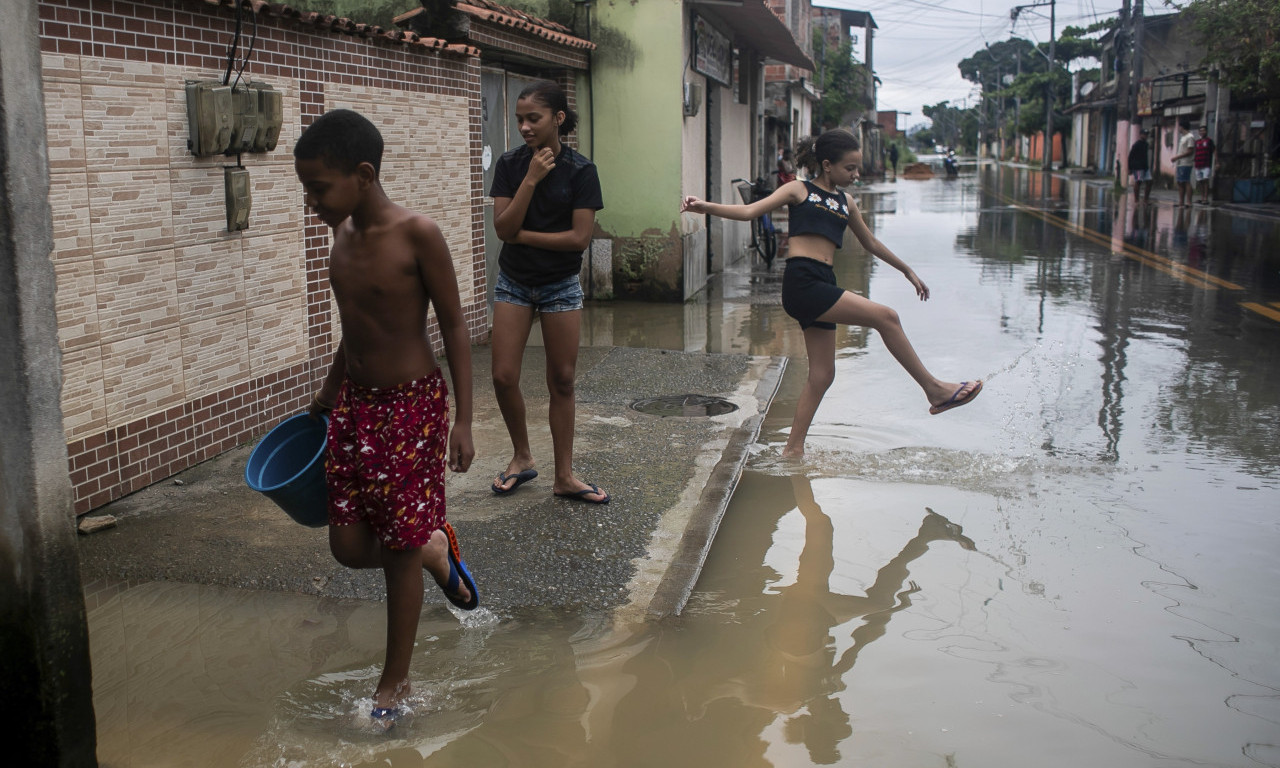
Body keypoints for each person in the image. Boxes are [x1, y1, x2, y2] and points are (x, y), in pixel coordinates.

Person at [294, 109, 477, 730]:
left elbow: (453, 325)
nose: (312, 200)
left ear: (364, 174)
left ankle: (394, 681)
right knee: (348, 546)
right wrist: (325, 399)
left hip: (412, 408)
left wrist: (465, 419)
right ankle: (433, 551)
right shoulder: (340, 237)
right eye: (307, 189)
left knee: (394, 548)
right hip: (354, 408)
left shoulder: (417, 233)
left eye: (320, 187)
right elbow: (353, 333)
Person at [680, 129, 983, 458]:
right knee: (887, 317)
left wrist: (907, 270)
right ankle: (935, 390)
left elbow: (871, 243)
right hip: (803, 282)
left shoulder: (846, 202)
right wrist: (703, 206)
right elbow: (751, 211)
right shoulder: (799, 190)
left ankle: (792, 450)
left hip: (824, 280)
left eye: (857, 168)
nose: (855, 174)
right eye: (849, 168)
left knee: (823, 375)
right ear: (827, 165)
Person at [488, 81, 609, 503]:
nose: (524, 126)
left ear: (558, 119)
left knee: (562, 379)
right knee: (502, 375)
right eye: (520, 119)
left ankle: (564, 475)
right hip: (514, 281)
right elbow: (502, 229)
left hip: (560, 284)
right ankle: (521, 457)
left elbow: (579, 239)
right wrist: (532, 179)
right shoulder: (509, 165)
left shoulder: (581, 171)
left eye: (533, 118)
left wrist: (523, 235)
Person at [1172, 120, 1197, 207]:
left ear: (1182, 127)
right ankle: (1181, 202)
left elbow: (1190, 151)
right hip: (1180, 162)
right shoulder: (1183, 137)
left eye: (1179, 127)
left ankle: (1189, 202)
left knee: (1186, 181)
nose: (1178, 129)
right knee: (1180, 182)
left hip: (1186, 162)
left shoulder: (1190, 137)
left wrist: (1177, 157)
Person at [1127, 128, 1152, 203]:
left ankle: (1146, 199)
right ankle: (1136, 200)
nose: (1146, 136)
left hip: (1145, 166)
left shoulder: (1146, 144)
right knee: (1138, 182)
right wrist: (1129, 168)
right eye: (1144, 134)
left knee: (1150, 182)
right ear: (1140, 135)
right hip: (1137, 167)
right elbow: (1130, 156)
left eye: (1147, 134)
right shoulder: (1136, 145)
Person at [1193, 124, 1216, 204]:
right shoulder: (1197, 142)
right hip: (1198, 164)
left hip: (1206, 164)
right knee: (1200, 181)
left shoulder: (1209, 141)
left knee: (1206, 180)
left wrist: (1217, 162)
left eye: (1204, 130)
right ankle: (1202, 197)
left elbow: (1214, 151)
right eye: (1201, 131)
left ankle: (1205, 198)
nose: (1202, 132)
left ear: (1206, 132)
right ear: (1199, 132)